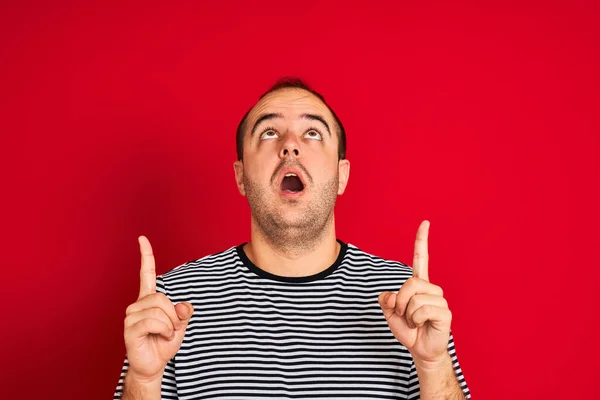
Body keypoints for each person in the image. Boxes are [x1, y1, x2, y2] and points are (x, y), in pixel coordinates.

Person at [114, 78, 471, 399]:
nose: (290, 147)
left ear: (341, 175)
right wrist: (144, 382)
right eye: (269, 133)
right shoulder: (173, 304)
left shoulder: (405, 299)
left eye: (313, 133)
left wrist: (432, 364)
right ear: (240, 176)